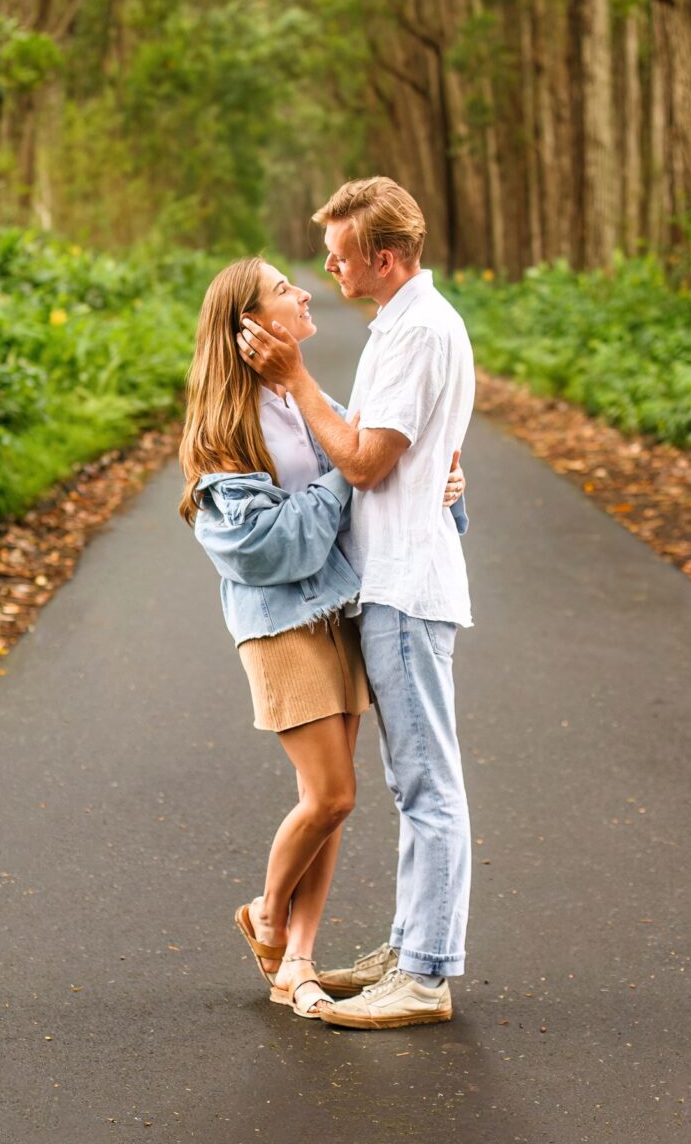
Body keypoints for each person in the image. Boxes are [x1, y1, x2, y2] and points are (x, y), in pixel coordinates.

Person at [178, 254, 466, 1019]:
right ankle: (269, 918)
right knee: (333, 793)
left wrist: (434, 480)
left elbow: (378, 469)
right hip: (279, 622)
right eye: (282, 289)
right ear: (248, 328)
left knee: (333, 799)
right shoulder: (223, 430)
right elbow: (280, 544)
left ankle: (295, 961)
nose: (304, 291)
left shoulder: (303, 398)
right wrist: (361, 470)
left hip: (339, 609)